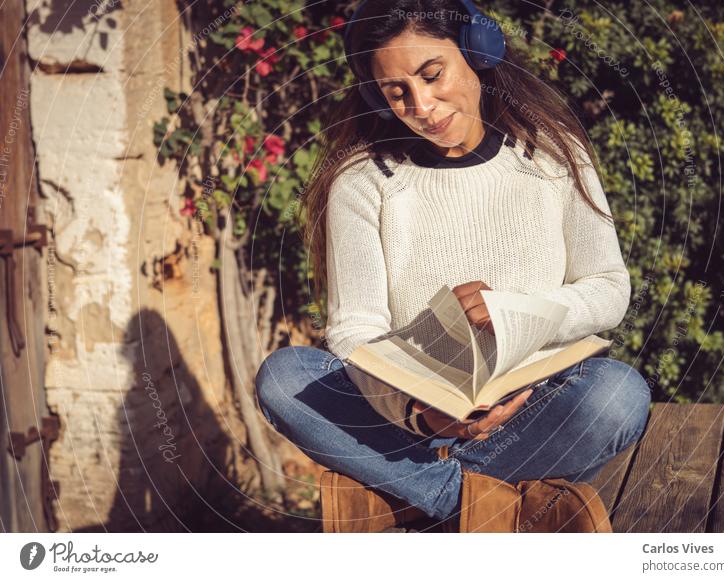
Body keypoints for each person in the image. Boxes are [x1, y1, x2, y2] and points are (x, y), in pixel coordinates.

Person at [255, 0, 651, 532]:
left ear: (476, 53)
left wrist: (514, 313)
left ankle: (421, 506)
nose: (421, 105)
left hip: (531, 407)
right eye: (397, 91)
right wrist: (416, 412)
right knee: (284, 379)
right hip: (407, 420)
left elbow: (608, 289)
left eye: (432, 75)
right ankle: (482, 510)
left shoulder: (556, 157)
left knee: (619, 396)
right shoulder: (364, 181)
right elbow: (354, 333)